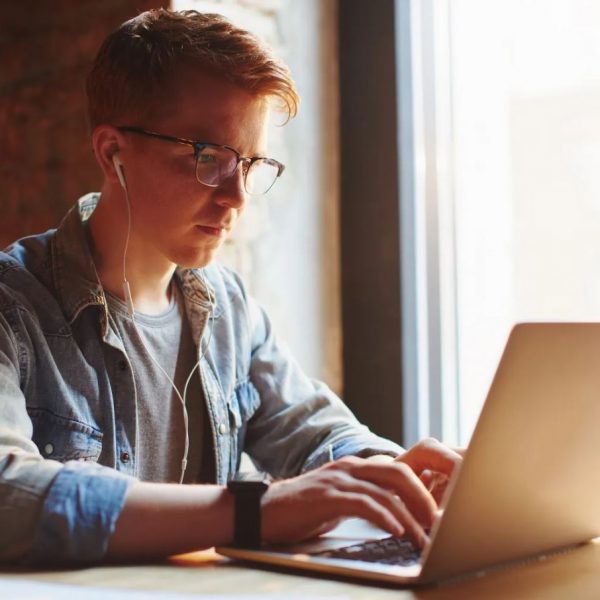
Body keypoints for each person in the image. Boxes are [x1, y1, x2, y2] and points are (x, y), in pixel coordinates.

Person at [0, 9, 461, 564]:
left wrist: (395, 477)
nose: (238, 196)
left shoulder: (228, 307)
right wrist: (252, 511)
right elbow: (8, 494)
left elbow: (313, 432)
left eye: (250, 162)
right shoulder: (13, 306)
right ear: (112, 152)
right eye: (208, 157)